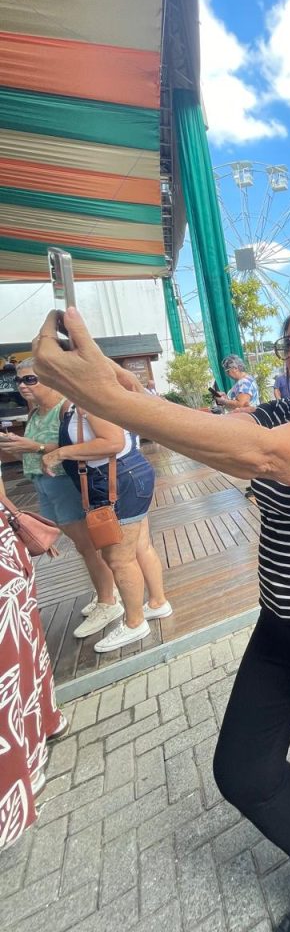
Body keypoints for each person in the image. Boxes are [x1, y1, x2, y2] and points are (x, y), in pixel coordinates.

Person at [31, 301, 290, 932]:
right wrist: (111, 380)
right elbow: (211, 430)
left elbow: (269, 457)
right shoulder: (279, 411)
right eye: (287, 341)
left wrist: (105, 397)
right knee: (243, 773)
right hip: (280, 627)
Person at [0, 359, 120, 639]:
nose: (22, 385)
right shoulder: (34, 413)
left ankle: (109, 601)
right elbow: (36, 450)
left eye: (30, 379)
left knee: (88, 546)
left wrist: (35, 446)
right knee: (82, 546)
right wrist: (19, 448)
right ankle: (106, 592)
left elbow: (76, 445)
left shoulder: (67, 408)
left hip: (65, 482)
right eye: (19, 380)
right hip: (42, 483)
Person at [42, 401, 171, 653]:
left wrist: (61, 453)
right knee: (141, 547)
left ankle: (135, 623)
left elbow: (113, 442)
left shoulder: (88, 400)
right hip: (126, 475)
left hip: (115, 479)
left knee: (119, 559)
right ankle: (157, 602)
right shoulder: (81, 401)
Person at [0, 494, 67, 847]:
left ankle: (19, 773)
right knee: (20, 648)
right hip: (6, 549)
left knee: (11, 659)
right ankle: (33, 747)